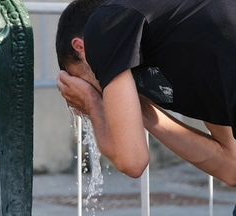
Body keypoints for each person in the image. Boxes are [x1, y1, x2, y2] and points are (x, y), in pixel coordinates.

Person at [56, 0, 236, 190]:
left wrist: (92, 103)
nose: (99, 90)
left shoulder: (107, 22)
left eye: (82, 82)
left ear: (81, 46)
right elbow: (231, 168)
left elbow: (132, 161)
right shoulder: (187, 37)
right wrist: (142, 111)